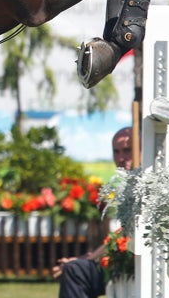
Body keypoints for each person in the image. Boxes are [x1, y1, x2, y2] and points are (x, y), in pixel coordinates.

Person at [52, 126, 133, 298]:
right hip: (124, 262)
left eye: (127, 150)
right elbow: (120, 236)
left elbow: (123, 237)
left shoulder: (147, 185)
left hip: (135, 264)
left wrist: (85, 260)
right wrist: (85, 259)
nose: (121, 158)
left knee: (75, 271)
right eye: (116, 152)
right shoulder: (128, 186)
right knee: (75, 268)